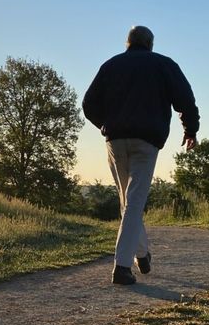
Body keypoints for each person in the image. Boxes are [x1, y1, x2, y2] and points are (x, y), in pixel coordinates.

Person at [82, 25, 200, 285]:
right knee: (133, 203)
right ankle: (122, 267)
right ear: (151, 44)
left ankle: (142, 254)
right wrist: (190, 130)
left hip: (115, 139)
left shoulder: (110, 65)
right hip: (147, 141)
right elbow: (185, 100)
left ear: (127, 43)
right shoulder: (164, 65)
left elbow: (88, 103)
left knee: (127, 202)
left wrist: (104, 124)